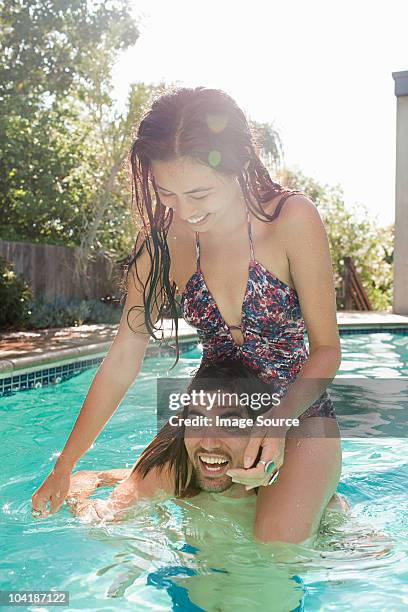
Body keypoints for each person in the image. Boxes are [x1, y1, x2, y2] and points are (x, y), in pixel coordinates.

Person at [32, 86, 342, 544]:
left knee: (273, 549)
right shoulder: (161, 245)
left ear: (236, 165)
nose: (187, 211)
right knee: (112, 520)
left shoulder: (291, 220)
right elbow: (122, 360)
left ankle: (322, 496)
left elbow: (327, 351)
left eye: (199, 192)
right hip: (213, 414)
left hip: (300, 412)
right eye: (168, 193)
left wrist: (274, 423)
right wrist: (65, 466)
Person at [66, 358, 347, 543]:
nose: (209, 441)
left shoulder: (292, 491)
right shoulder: (175, 471)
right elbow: (99, 517)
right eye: (198, 420)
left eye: (230, 422)